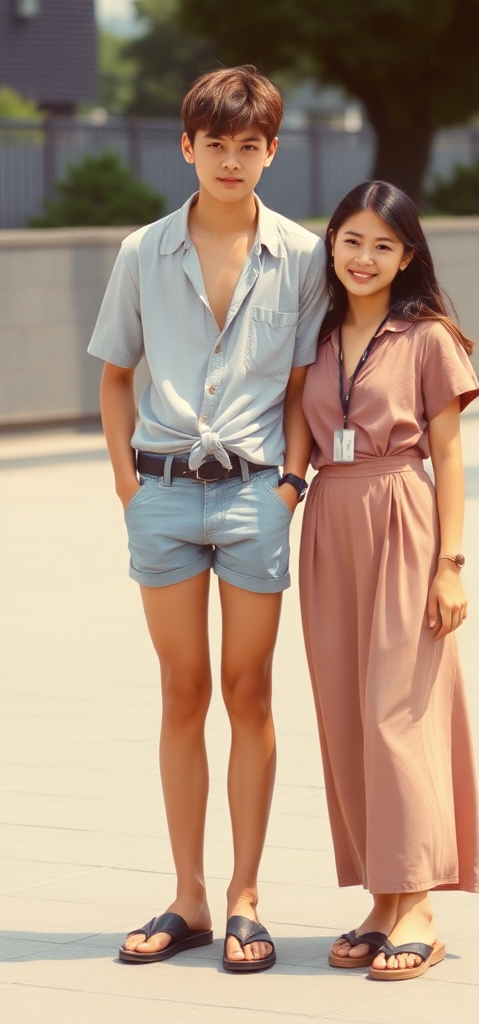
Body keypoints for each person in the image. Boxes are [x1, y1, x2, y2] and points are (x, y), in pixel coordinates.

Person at [88, 65, 327, 972]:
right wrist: (126, 484)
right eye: (215, 144)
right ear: (187, 147)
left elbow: (304, 386)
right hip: (161, 493)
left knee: (249, 694)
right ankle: (187, 895)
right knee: (182, 692)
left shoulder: (303, 256)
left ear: (271, 150)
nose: (232, 160)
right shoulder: (140, 251)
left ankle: (244, 898)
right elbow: (116, 374)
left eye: (250, 145)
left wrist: (291, 484)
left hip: (254, 495)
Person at [299, 180, 479, 981]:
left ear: (407, 255)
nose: (364, 258)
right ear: (330, 243)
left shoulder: (427, 337)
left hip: (403, 519)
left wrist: (451, 565)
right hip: (328, 528)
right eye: (351, 240)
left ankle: (419, 903)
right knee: (346, 716)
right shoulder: (314, 334)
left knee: (396, 713)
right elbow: (293, 443)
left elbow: (448, 456)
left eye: (383, 245)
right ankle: (381, 897)